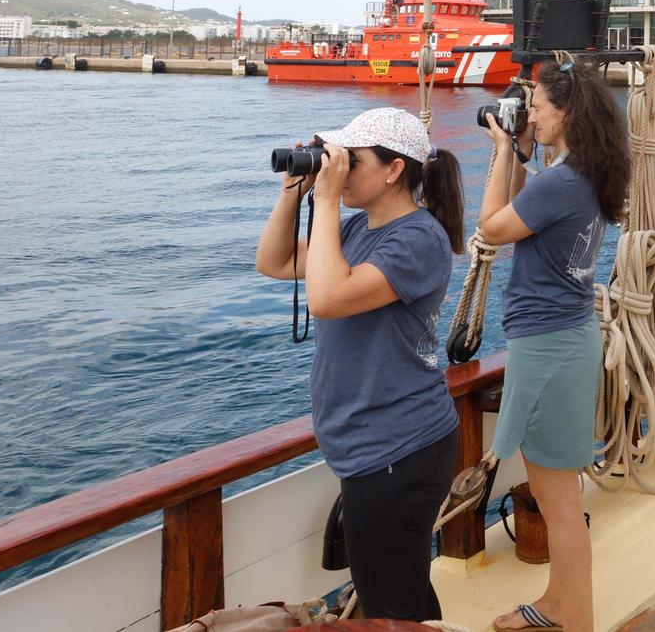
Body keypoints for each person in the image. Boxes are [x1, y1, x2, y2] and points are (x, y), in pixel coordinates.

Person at [254, 108, 465, 622]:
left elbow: (326, 298)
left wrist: (326, 200)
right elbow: (275, 262)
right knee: (398, 584)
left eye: (352, 159)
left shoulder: (418, 239)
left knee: (389, 599)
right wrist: (295, 192)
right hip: (373, 445)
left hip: (399, 446)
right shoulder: (353, 232)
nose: (340, 169)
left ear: (394, 170)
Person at [479, 60, 631, 632]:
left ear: (566, 112)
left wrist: (501, 150)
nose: (532, 114)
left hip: (547, 350)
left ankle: (579, 623)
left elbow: (492, 227)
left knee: (561, 508)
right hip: (565, 340)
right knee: (559, 496)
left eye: (538, 106)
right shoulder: (581, 175)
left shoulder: (562, 182)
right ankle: (554, 604)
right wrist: (517, 153)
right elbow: (522, 209)